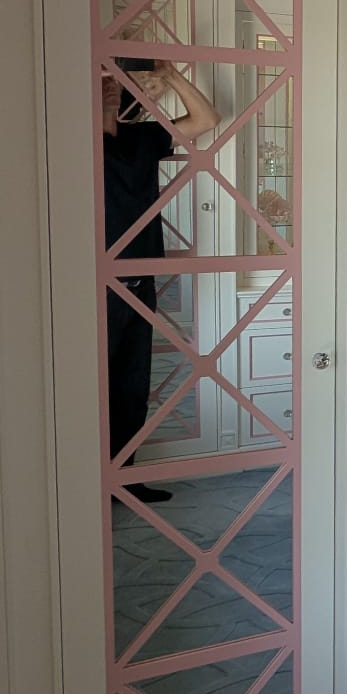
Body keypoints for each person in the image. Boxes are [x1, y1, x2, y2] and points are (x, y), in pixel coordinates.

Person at [104, 54, 220, 501]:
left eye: (113, 82)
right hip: (91, 286)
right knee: (91, 389)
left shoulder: (143, 137)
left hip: (139, 279)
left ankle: (122, 481)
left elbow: (207, 118)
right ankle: (86, 486)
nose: (108, 88)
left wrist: (170, 75)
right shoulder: (68, 141)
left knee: (132, 387)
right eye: (99, 83)